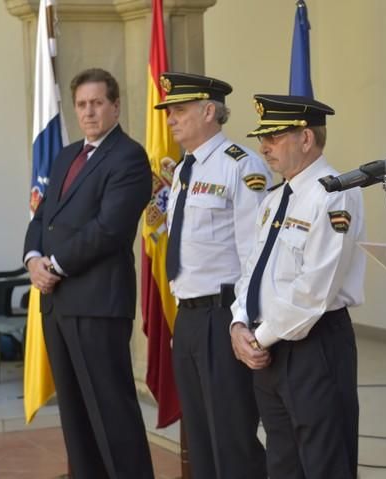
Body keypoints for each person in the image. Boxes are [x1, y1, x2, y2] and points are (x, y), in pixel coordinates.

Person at [23, 68, 154, 478]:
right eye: (82, 104)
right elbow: (42, 216)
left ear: (115, 106)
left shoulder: (129, 157)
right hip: (58, 305)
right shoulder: (66, 156)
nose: (89, 112)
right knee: (76, 418)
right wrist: (32, 259)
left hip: (99, 305)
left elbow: (109, 229)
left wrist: (55, 265)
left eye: (97, 103)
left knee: (112, 414)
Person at [230, 94, 366, 479]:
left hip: (314, 347)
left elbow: (313, 290)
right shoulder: (274, 199)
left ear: (306, 139)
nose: (264, 147)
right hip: (268, 348)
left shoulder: (335, 194)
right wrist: (238, 324)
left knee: (325, 465)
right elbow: (250, 272)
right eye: (263, 138)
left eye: (274, 137)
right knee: (283, 465)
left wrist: (258, 337)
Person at [154, 72, 270, 478]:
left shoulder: (241, 166)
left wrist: (244, 321)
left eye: (179, 110)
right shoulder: (186, 169)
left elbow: (256, 255)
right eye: (169, 112)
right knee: (200, 439)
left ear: (208, 111)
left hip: (223, 317)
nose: (170, 119)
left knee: (231, 437)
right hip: (188, 316)